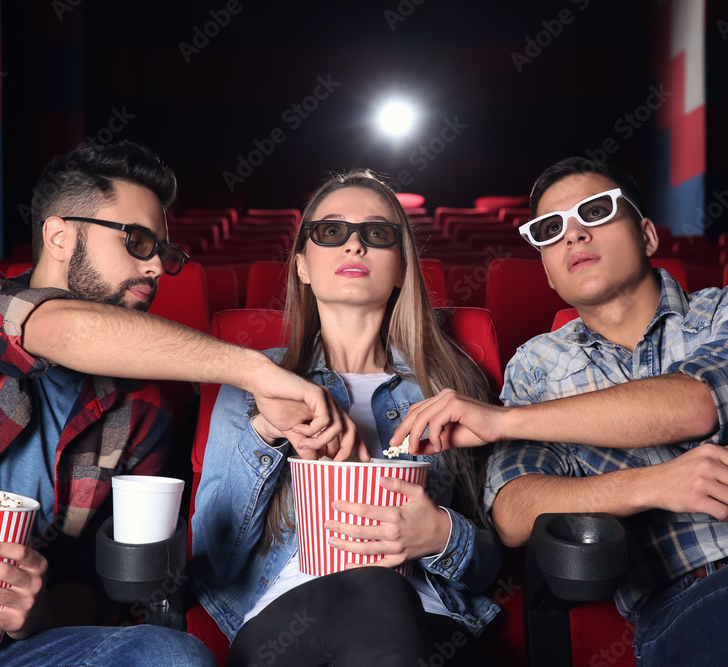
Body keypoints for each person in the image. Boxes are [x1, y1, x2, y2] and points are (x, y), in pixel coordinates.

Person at [0, 140, 348, 666]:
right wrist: (255, 370)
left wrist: (37, 613)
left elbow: (92, 581)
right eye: (137, 241)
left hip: (15, 647)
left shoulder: (143, 410)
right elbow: (54, 327)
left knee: (171, 656)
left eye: (164, 254)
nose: (155, 269)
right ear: (59, 236)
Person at [391, 157, 728, 665]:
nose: (573, 236)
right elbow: (513, 511)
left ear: (646, 235)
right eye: (549, 229)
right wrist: (655, 484)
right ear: (546, 269)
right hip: (683, 613)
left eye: (596, 211)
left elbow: (698, 403)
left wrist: (503, 421)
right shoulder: (537, 366)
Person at [191, 169, 503, 666]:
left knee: (383, 595)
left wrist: (442, 534)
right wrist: (268, 434)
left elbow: (493, 559)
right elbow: (213, 559)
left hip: (432, 623)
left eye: (377, 234)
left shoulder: (451, 386)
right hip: (286, 624)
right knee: (374, 591)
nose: (354, 246)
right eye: (331, 232)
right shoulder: (256, 381)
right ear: (302, 266)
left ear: (401, 267)